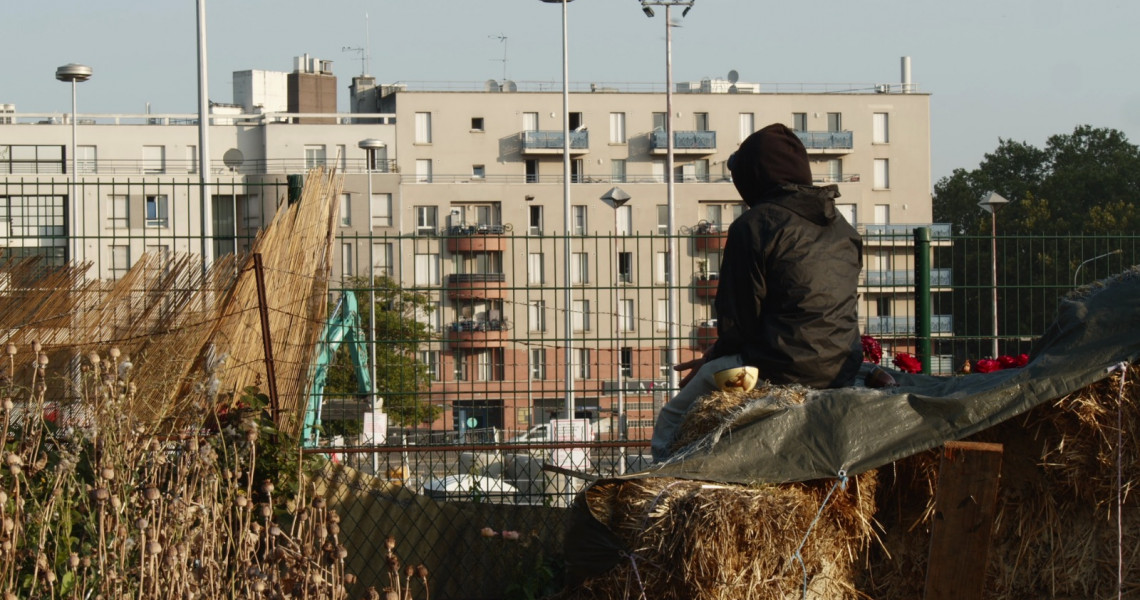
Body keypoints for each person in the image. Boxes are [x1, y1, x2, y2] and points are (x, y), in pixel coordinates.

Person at [650, 123, 863, 461]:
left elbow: (738, 322)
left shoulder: (754, 225)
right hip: (843, 366)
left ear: (755, 176)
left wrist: (711, 362)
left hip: (773, 372)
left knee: (672, 417)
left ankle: (662, 487)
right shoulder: (842, 227)